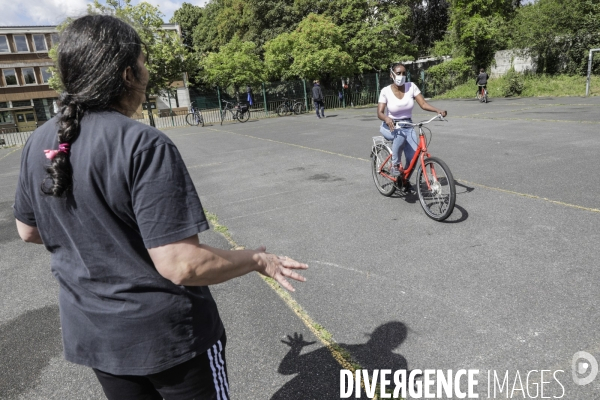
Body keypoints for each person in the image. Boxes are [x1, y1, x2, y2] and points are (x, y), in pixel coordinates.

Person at [13, 15, 307, 400]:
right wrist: (256, 260)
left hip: (98, 336)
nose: (147, 72)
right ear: (126, 75)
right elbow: (182, 264)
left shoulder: (37, 142)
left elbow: (28, 230)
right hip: (168, 341)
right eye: (144, 63)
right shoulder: (142, 144)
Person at [377, 63, 447, 181]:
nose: (402, 76)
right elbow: (380, 113)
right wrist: (387, 118)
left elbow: (423, 104)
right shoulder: (385, 91)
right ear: (392, 75)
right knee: (400, 135)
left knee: (413, 158)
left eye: (404, 73)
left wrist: (437, 110)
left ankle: (404, 181)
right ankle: (395, 165)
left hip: (408, 125)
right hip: (390, 126)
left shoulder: (411, 86)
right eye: (399, 73)